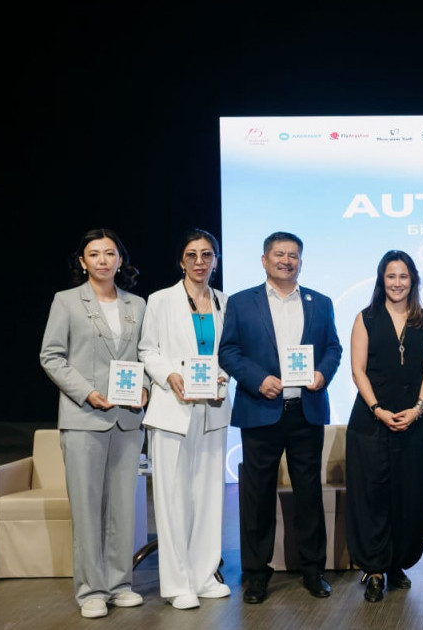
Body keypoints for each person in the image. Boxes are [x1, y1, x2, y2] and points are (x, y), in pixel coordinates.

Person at [218, 231, 343, 604]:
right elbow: (229, 351)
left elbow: (333, 347)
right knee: (256, 497)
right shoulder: (242, 302)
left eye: (293, 255)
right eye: (279, 254)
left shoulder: (320, 302)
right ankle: (256, 574)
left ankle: (312, 570)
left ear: (301, 261)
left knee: (309, 494)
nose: (287, 261)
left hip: (306, 410)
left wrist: (322, 373)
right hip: (261, 410)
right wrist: (258, 380)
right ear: (264, 260)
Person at [39, 228, 148, 619]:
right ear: (82, 261)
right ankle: (91, 591)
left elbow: (147, 354)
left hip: (127, 419)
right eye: (95, 254)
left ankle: (120, 584)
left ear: (121, 259)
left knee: (123, 507)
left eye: (110, 253)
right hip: (84, 417)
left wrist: (147, 387)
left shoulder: (138, 304)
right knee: (87, 508)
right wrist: (87, 393)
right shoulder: (66, 301)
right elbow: (51, 356)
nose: (103, 260)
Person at [137, 228, 232, 610]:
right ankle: (178, 584)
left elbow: (230, 352)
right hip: (171, 409)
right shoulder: (160, 300)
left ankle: (204, 576)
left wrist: (224, 375)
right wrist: (170, 376)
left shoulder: (225, 301)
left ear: (215, 260)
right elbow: (148, 350)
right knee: (173, 497)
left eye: (207, 254)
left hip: (212, 408)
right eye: (192, 255)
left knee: (209, 496)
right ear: (181, 261)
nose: (199, 262)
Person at [346, 251, 423, 603]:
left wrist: (418, 409)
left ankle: (397, 562)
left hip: (415, 422)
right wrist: (377, 409)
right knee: (372, 497)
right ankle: (374, 569)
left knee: (409, 496)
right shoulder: (366, 318)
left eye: (403, 276)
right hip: (371, 422)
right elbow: (358, 370)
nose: (397, 283)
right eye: (391, 276)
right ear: (381, 279)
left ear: (413, 280)